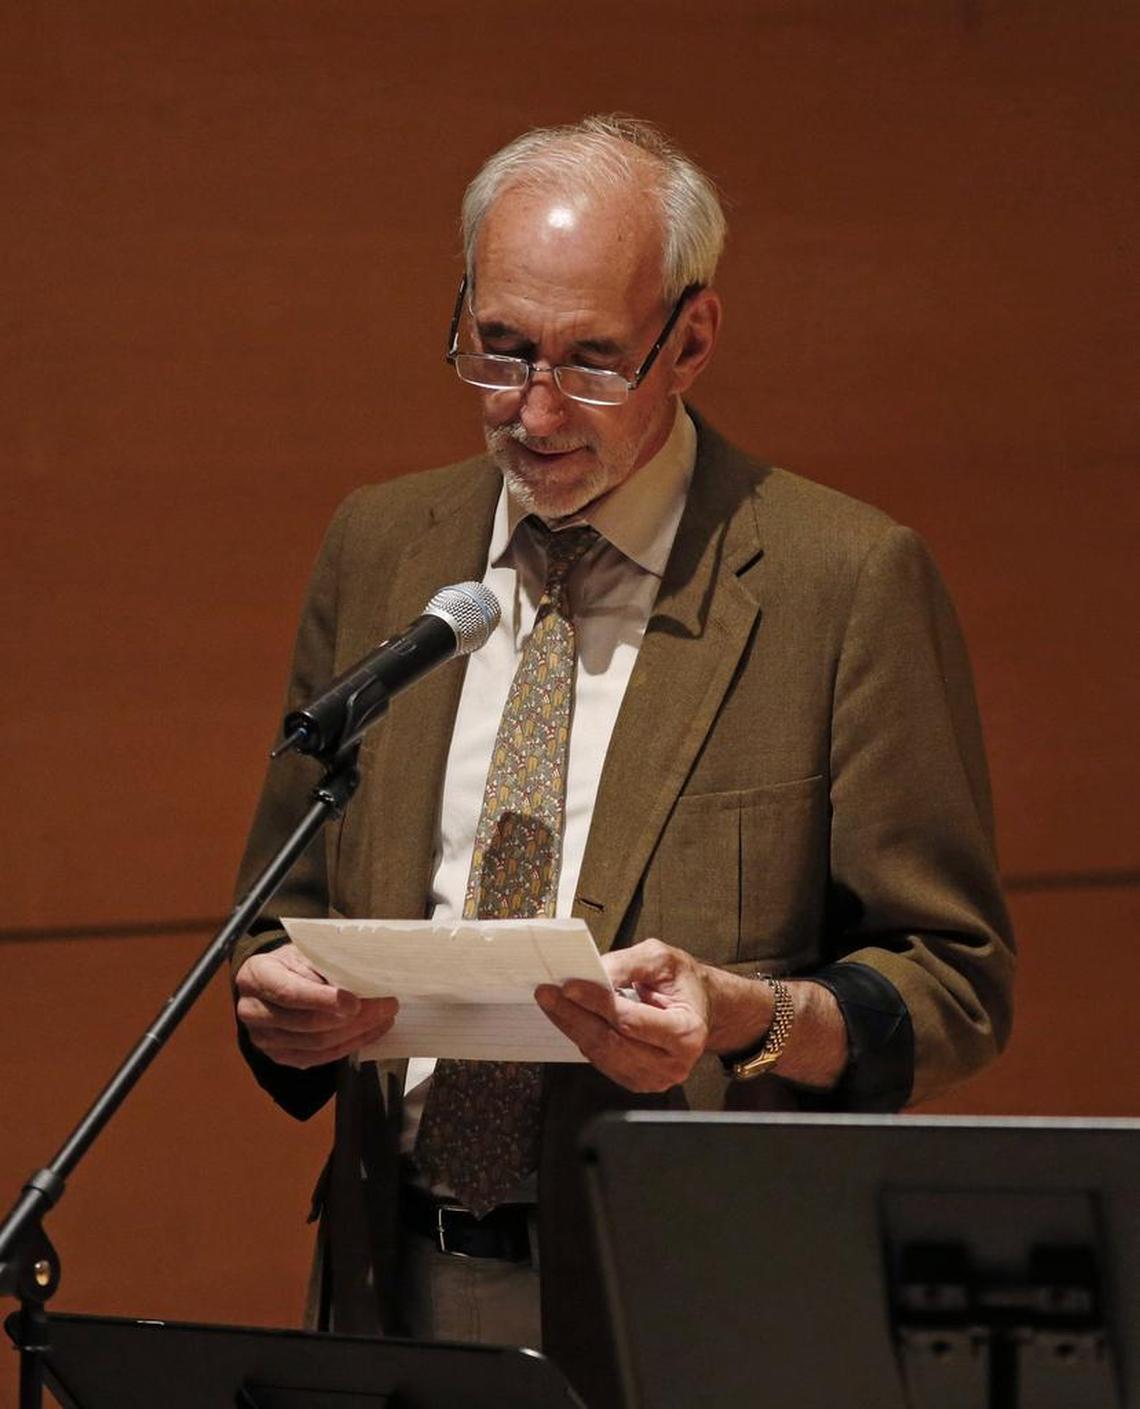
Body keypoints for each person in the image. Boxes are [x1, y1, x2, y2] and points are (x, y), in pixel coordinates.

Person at [232, 115, 1014, 1408]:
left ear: (690, 341)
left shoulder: (841, 583)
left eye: (593, 362)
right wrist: (288, 1004)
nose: (532, 411)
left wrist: (747, 1016)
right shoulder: (381, 546)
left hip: (698, 1302)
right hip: (397, 1284)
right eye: (499, 349)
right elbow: (279, 905)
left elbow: (953, 984)